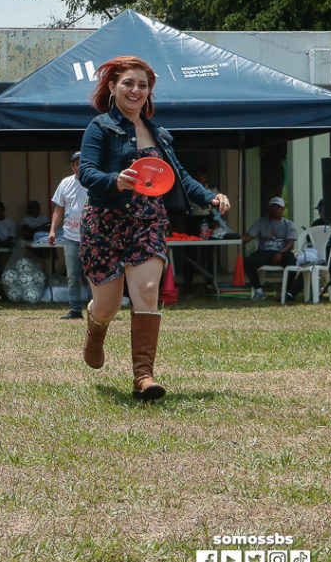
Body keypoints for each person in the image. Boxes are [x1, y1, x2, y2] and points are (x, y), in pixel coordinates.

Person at [78, 55, 229, 400]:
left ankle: (143, 377)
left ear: (149, 92)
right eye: (128, 83)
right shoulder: (100, 127)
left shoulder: (158, 133)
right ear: (113, 86)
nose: (136, 90)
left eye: (143, 85)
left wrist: (210, 196)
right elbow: (86, 173)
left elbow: (180, 176)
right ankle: (96, 327)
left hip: (147, 220)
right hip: (103, 222)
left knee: (147, 288)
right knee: (108, 304)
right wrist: (116, 180)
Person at [48, 151, 89, 320]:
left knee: (93, 275)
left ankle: (99, 309)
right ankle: (76, 310)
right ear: (72, 166)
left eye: (82, 163)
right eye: (76, 163)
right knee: (73, 275)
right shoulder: (65, 183)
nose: (79, 166)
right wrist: (52, 230)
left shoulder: (94, 182)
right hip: (70, 236)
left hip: (91, 237)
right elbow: (59, 208)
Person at [241, 197, 297, 301]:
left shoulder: (289, 224)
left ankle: (287, 291)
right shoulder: (261, 222)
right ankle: (259, 291)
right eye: (273, 207)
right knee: (248, 262)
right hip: (264, 252)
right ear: (269, 209)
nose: (275, 209)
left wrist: (281, 252)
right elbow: (247, 238)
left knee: (292, 261)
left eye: (278, 207)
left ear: (283, 209)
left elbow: (291, 243)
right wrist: (236, 237)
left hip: (282, 251)